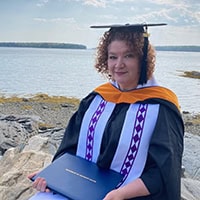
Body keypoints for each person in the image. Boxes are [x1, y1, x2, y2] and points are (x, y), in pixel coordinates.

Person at [28, 23, 184, 200]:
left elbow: (163, 171)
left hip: (131, 194)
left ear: (143, 59)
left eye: (129, 56)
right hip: (80, 188)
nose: (119, 64)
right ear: (105, 60)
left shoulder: (161, 107)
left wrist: (119, 194)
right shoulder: (96, 99)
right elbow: (70, 149)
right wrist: (53, 175)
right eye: (112, 57)